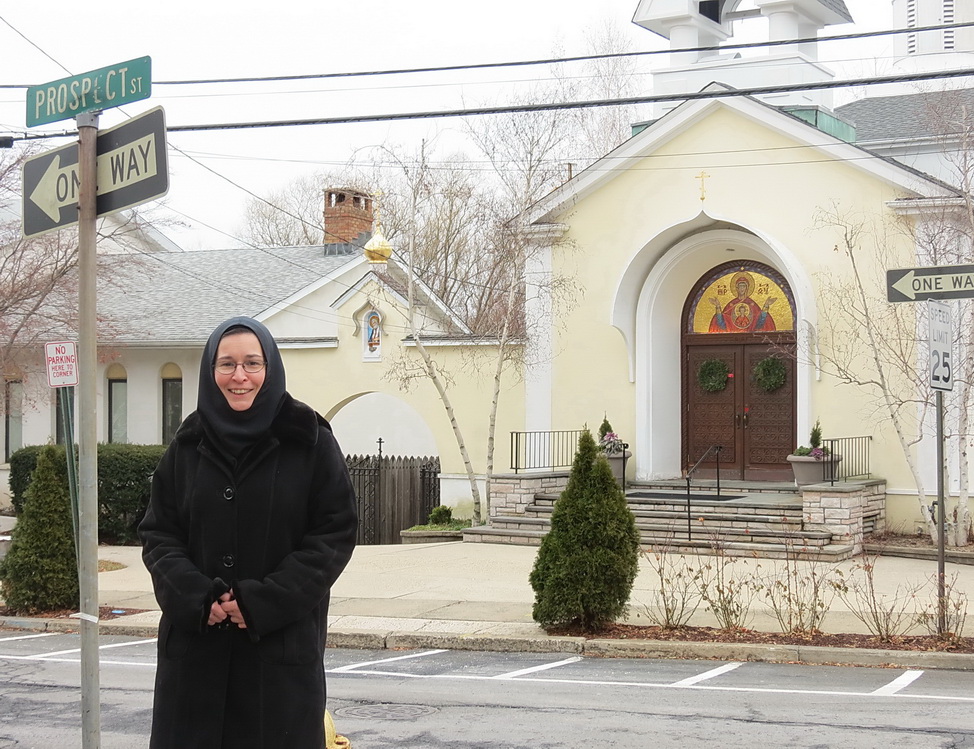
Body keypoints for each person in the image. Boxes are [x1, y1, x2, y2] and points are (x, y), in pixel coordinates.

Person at [139, 316, 358, 749]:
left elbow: (333, 535)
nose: (239, 376)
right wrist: (195, 597)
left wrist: (262, 603)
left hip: (278, 664)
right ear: (211, 370)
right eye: (227, 364)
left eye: (252, 363)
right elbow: (159, 534)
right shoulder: (186, 445)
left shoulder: (309, 441)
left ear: (269, 368)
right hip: (194, 665)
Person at [708, 271, 777, 333]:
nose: (742, 288)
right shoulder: (732, 304)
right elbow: (722, 324)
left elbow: (759, 324)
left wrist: (766, 305)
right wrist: (718, 306)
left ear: (747, 288)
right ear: (737, 288)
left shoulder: (752, 304)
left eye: (744, 286)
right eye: (740, 286)